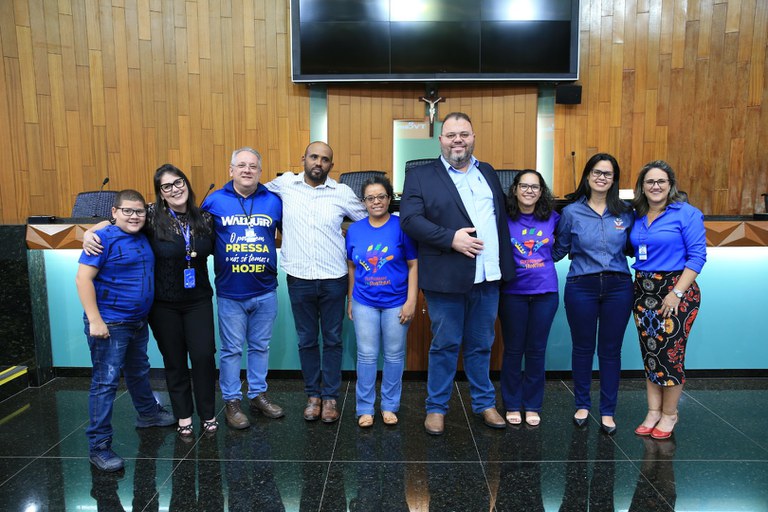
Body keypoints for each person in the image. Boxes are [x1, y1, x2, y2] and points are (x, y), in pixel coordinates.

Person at [400, 112, 515, 435]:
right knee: (446, 345)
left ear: (473, 137)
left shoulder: (487, 172)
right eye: (451, 135)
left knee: (482, 345)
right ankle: (436, 408)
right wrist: (450, 238)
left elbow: (499, 219)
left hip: (488, 277)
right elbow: (410, 220)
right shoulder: (420, 176)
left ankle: (484, 403)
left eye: (464, 134)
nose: (458, 140)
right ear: (441, 140)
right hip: (446, 278)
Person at [84, 166, 220, 437]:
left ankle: (207, 413)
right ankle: (183, 415)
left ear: (186, 183)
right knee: (174, 359)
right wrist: (90, 232)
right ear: (160, 193)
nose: (174, 189)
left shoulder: (205, 217)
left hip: (198, 300)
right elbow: (117, 220)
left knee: (204, 357)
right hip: (163, 305)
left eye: (178, 182)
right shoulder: (151, 216)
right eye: (166, 186)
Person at [266, 141, 367, 423]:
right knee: (307, 340)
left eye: (324, 159)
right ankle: (313, 396)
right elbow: (254, 191)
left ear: (331, 165)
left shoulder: (341, 192)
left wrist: (347, 232)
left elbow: (367, 220)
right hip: (299, 278)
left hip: (334, 278)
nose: (318, 163)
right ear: (304, 159)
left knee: (333, 340)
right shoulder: (285, 184)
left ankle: (330, 397)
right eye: (314, 157)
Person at [76, 189, 175, 472]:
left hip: (137, 321)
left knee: (138, 370)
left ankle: (148, 414)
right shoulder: (101, 239)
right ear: (114, 212)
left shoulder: (143, 234)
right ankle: (99, 446)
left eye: (139, 211)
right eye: (127, 211)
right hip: (110, 324)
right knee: (105, 383)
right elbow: (83, 279)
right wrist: (95, 320)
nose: (134, 216)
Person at [202, 147, 285, 429]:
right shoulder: (215, 201)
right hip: (230, 293)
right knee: (231, 350)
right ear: (231, 170)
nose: (247, 170)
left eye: (253, 166)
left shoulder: (273, 201)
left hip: (265, 290)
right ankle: (232, 401)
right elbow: (195, 234)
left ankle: (258, 394)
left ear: (260, 172)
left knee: (260, 347)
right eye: (241, 165)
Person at [552, 153, 634, 435]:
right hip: (581, 286)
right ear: (587, 176)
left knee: (610, 351)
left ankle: (608, 411)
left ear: (614, 179)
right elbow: (558, 250)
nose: (602, 177)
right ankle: (582, 405)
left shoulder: (626, 212)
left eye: (608, 174)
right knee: (583, 348)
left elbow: (635, 247)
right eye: (597, 172)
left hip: (619, 287)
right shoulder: (571, 213)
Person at [630, 160, 706, 439]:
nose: (656, 186)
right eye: (650, 181)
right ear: (642, 187)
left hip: (675, 292)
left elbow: (697, 257)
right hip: (643, 292)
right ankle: (653, 411)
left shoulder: (687, 213)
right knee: (651, 354)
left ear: (671, 185)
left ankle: (670, 414)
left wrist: (676, 294)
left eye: (661, 181)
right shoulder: (637, 215)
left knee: (670, 355)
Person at [346, 176, 418, 428]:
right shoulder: (354, 230)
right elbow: (352, 266)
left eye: (381, 196)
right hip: (364, 301)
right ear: (363, 202)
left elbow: (413, 265)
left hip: (396, 302)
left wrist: (411, 300)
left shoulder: (402, 227)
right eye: (370, 198)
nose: (376, 202)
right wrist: (350, 299)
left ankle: (389, 406)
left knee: (394, 356)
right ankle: (365, 408)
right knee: (366, 356)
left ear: (389, 199)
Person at [499, 170, 559, 427]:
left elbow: (561, 246)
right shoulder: (502, 218)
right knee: (513, 350)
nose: (529, 191)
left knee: (536, 351)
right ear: (514, 189)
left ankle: (533, 404)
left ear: (541, 191)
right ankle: (512, 403)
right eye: (524, 186)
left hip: (545, 293)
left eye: (535, 187)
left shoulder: (553, 217)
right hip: (512, 293)